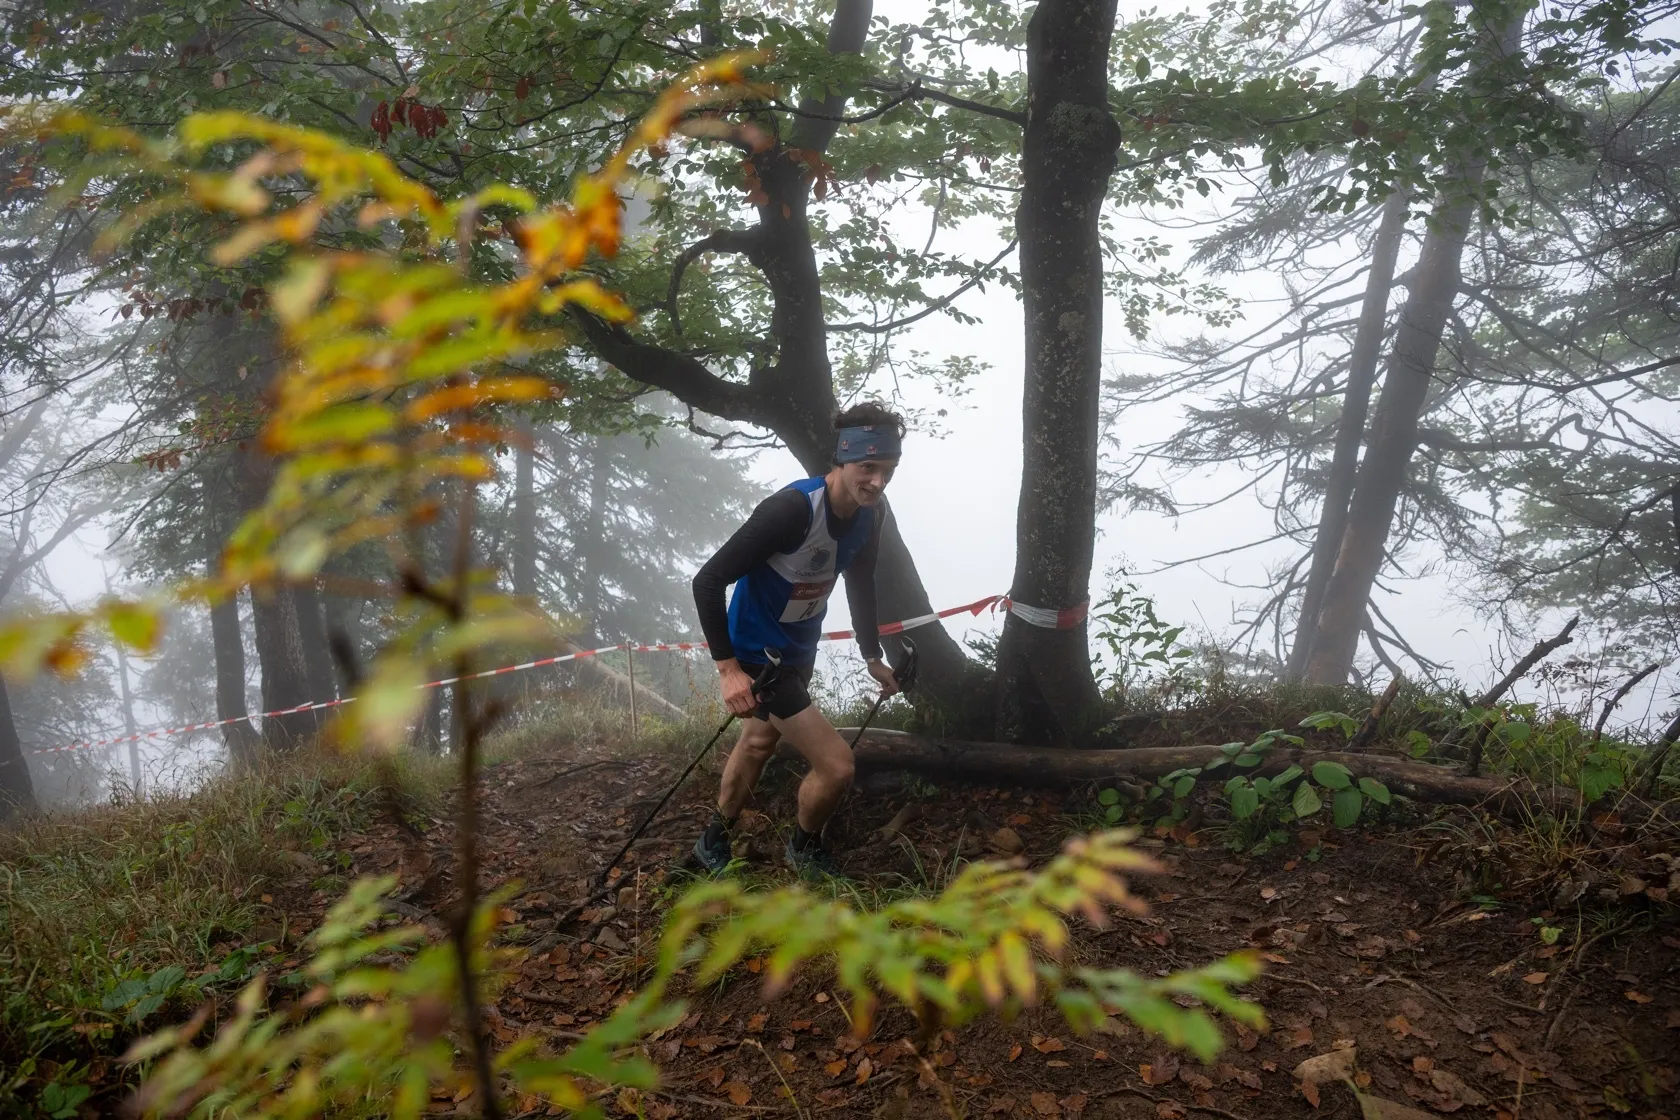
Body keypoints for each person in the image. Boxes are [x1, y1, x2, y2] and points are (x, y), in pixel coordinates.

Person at [689, 402, 905, 878]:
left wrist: (872, 654)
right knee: (837, 766)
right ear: (842, 459)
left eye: (888, 469)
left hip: (797, 647)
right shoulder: (791, 510)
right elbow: (707, 581)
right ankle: (804, 847)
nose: (878, 481)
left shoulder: (872, 513)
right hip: (757, 652)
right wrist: (728, 671)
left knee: (759, 743)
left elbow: (861, 582)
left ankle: (711, 844)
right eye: (868, 467)